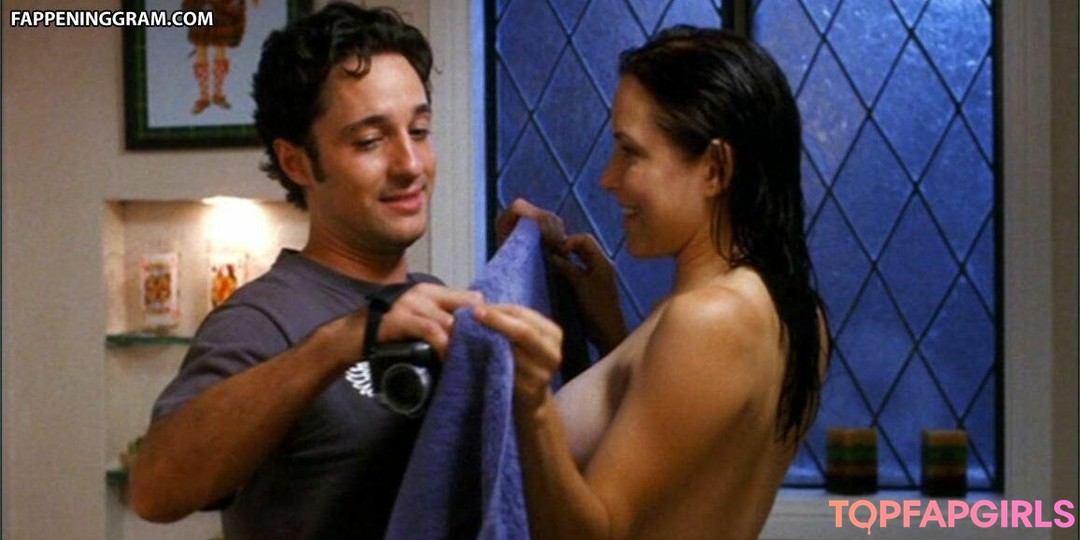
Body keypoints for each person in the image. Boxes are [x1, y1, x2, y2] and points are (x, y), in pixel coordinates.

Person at [128, 4, 482, 539]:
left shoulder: (426, 296)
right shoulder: (260, 320)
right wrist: (340, 343)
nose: (410, 164)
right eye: (370, 141)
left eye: (419, 130)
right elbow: (156, 490)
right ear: (297, 163)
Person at [477, 26, 831, 539]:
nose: (608, 177)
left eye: (631, 152)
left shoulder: (707, 321)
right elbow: (685, 469)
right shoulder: (797, 311)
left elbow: (594, 533)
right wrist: (610, 326)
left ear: (714, 169)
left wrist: (530, 402)